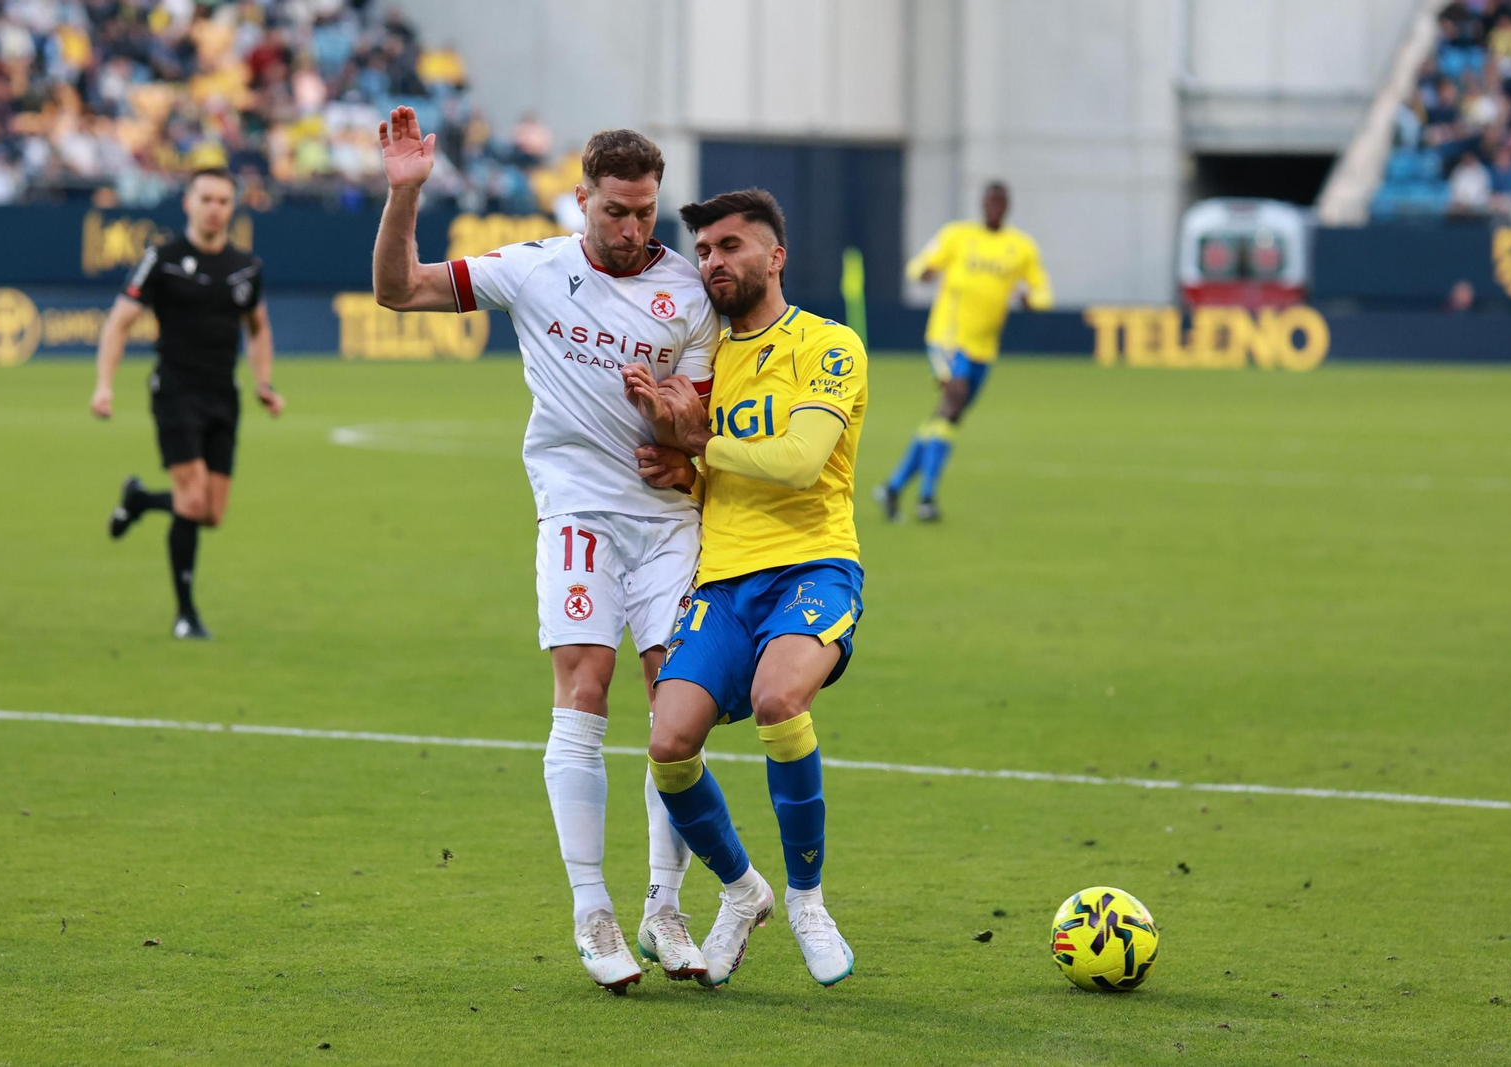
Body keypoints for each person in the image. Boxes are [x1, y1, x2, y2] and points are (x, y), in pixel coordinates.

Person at [371, 106, 720, 993]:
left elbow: (709, 420)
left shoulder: (689, 294)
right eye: (616, 212)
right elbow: (399, 290)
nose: (634, 229)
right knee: (584, 686)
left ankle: (663, 903)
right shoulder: (533, 270)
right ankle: (590, 905)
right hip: (576, 514)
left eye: (645, 212)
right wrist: (405, 195)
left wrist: (679, 438)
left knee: (677, 708)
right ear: (581, 200)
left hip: (668, 524)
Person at [622, 187, 868, 988]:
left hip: (813, 564)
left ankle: (806, 898)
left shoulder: (828, 346)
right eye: (704, 250)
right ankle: (741, 887)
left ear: (776, 255)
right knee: (668, 743)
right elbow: (699, 466)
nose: (714, 261)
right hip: (722, 578)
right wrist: (681, 461)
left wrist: (702, 443)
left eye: (731, 245)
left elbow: (799, 463)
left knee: (777, 700)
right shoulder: (706, 365)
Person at [92, 167, 283, 640]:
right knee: (193, 499)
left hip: (224, 395)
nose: (214, 208)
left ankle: (138, 500)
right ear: (188, 203)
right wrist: (104, 385)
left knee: (211, 513)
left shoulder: (245, 268)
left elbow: (257, 327)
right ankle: (185, 614)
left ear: (232, 207)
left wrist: (264, 383)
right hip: (175, 391)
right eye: (206, 199)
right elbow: (119, 323)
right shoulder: (163, 259)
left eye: (222, 200)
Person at [875, 181, 1051, 522]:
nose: (995, 207)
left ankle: (892, 488)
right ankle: (926, 499)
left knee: (945, 418)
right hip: (947, 339)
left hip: (984, 349)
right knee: (953, 399)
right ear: (982, 204)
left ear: (1008, 206)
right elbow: (919, 264)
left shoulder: (1021, 247)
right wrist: (923, 272)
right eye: (991, 201)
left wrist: (1032, 300)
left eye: (1001, 201)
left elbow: (1044, 292)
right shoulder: (957, 236)